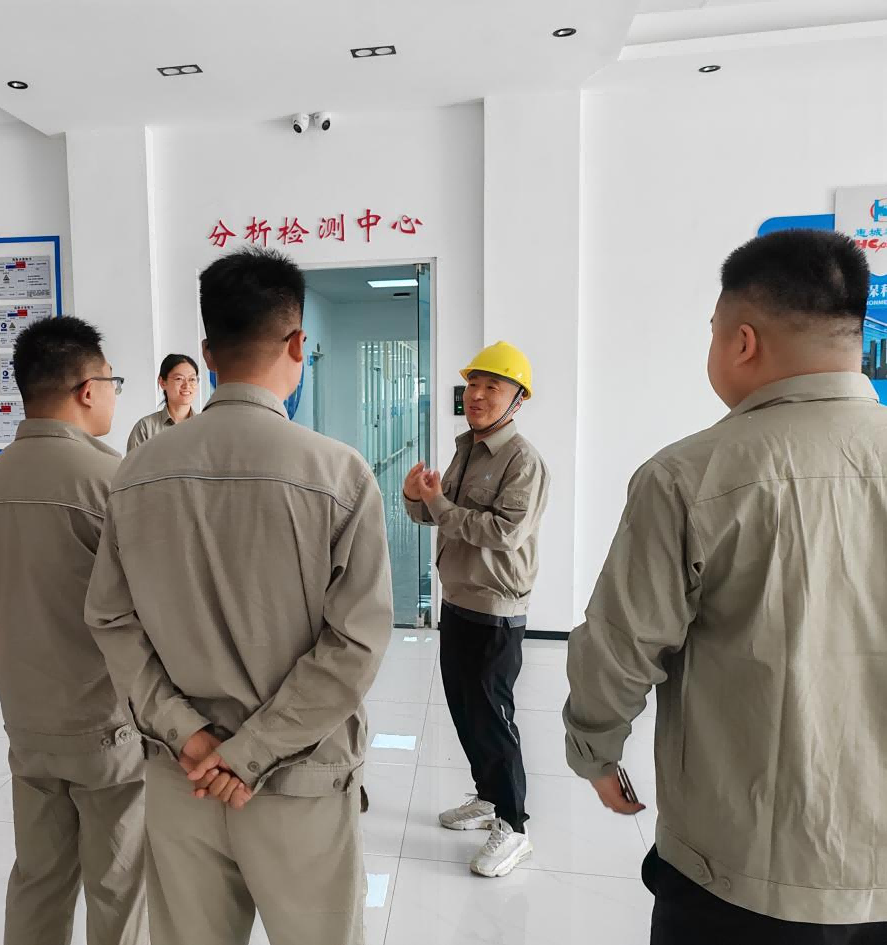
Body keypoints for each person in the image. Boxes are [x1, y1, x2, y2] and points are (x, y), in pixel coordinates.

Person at [564, 229, 887, 943]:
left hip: (741, 869)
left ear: (743, 342)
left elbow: (622, 644)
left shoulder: (688, 476)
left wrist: (595, 748)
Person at [85, 247, 393, 945]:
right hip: (299, 782)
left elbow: (110, 619)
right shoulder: (339, 475)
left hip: (184, 778)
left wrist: (192, 735)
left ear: (207, 353)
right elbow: (356, 643)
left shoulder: (136, 474)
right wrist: (249, 751)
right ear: (297, 344)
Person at [0, 316, 147, 945]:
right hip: (103, 716)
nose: (114, 396)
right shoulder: (110, 478)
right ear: (87, 390)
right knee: (118, 881)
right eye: (112, 383)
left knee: (39, 874)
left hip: (25, 714)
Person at [403, 341, 549, 878]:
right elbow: (440, 516)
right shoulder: (467, 449)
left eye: (493, 387)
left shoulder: (523, 461)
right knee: (464, 709)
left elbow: (504, 532)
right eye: (473, 385)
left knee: (492, 716)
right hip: (458, 599)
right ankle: (488, 798)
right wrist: (415, 498)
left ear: (518, 399)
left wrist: (437, 504)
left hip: (495, 606)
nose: (478, 395)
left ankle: (514, 825)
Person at [126, 353, 198, 451]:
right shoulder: (145, 427)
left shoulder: (205, 426)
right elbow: (133, 461)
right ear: (162, 382)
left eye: (192, 379)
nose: (187, 385)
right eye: (179, 379)